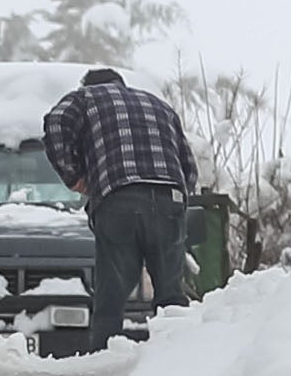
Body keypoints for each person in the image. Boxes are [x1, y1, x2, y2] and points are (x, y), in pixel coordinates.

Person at [41, 65, 197, 349]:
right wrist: (177, 199)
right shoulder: (159, 106)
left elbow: (56, 122)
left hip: (119, 197)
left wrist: (73, 176)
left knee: (111, 293)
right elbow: (188, 165)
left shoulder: (85, 98)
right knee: (171, 293)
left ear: (87, 85)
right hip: (168, 198)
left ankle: (104, 354)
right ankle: (178, 356)